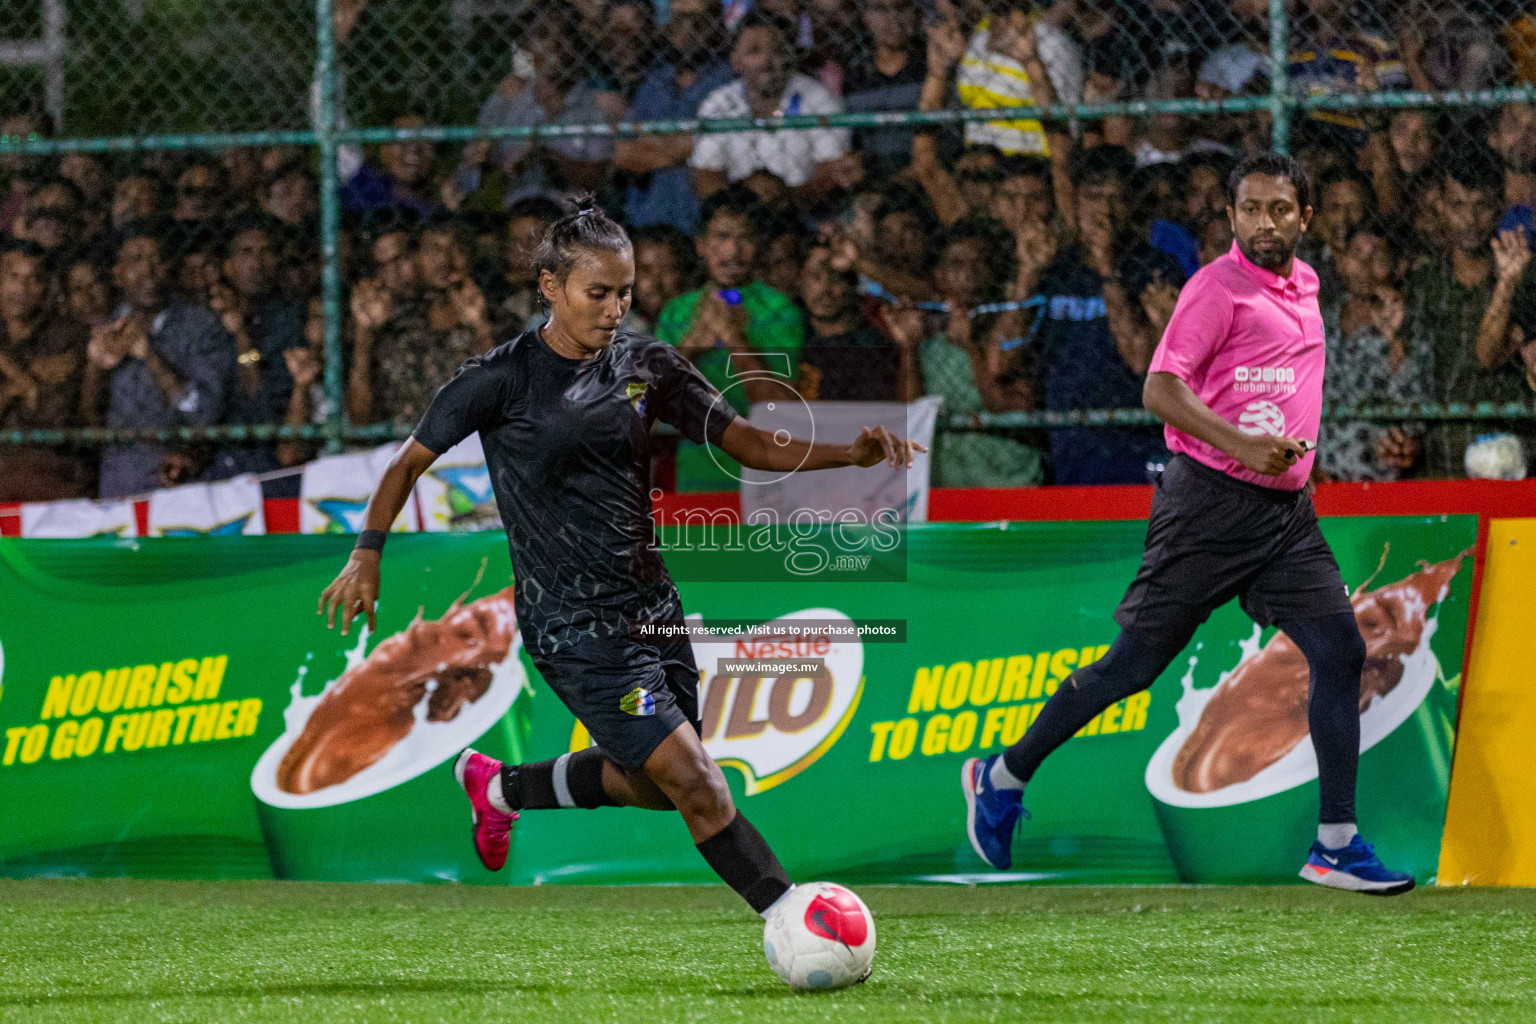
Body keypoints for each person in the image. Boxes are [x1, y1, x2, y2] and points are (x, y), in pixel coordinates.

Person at [315, 196, 923, 932]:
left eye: (624, 293)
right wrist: (366, 555)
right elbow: (407, 464)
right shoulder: (499, 379)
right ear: (551, 286)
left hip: (653, 609)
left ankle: (503, 788)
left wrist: (846, 452)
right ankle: (794, 918)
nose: (612, 309)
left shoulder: (646, 364)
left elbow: (749, 444)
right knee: (698, 783)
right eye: (595, 293)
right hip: (571, 622)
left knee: (660, 787)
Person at [962, 153, 1417, 896]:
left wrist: (1289, 461)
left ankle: (1336, 843)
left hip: (1286, 517)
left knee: (1339, 649)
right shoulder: (1214, 289)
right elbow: (1159, 388)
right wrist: (1247, 447)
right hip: (1208, 505)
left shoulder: (1307, 283)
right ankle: (1002, 774)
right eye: (1249, 209)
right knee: (1133, 669)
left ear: (1305, 217)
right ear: (1231, 216)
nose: (1263, 222)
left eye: (1278, 209)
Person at [655, 185, 805, 490]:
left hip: (767, 470)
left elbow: (778, 406)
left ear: (760, 245)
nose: (733, 251)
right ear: (700, 245)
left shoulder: (781, 310)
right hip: (695, 471)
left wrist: (734, 338)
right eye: (721, 237)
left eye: (745, 238)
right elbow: (649, 406)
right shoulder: (677, 312)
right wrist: (689, 348)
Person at [85, 227, 236, 498]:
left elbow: (202, 413)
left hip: (180, 479)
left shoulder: (201, 327)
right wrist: (96, 365)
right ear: (117, 273)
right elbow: (85, 422)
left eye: (157, 260)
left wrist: (149, 355)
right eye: (136, 260)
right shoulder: (103, 325)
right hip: (119, 477)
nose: (148, 271)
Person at [689, 11, 859, 203]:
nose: (767, 61)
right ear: (736, 61)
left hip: (805, 216)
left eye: (777, 50)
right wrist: (741, 208)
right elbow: (706, 175)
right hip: (739, 215)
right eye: (754, 51)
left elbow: (830, 174)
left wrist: (781, 200)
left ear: (789, 56)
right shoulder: (718, 103)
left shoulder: (819, 99)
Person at [617, 0, 735, 234]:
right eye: (680, 19)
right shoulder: (653, 82)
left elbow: (725, 145)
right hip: (648, 219)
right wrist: (687, 146)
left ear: (717, 25)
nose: (688, 29)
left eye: (699, 21)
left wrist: (657, 146)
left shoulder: (730, 81)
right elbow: (624, 153)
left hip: (705, 221)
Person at [0, 241, 92, 500]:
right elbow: (31, 392)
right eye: (13, 277)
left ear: (46, 287)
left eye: (32, 280)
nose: (20, 288)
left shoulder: (67, 337)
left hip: (51, 477)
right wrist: (23, 381)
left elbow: (57, 419)